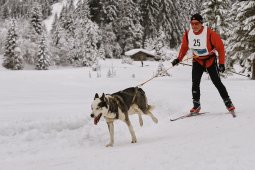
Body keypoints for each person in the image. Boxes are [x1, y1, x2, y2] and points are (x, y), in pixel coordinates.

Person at [171, 13, 235, 113]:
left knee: (217, 82)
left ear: (201, 23)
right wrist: (178, 59)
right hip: (197, 61)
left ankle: (228, 102)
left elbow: (220, 48)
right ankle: (196, 105)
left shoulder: (210, 33)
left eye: (196, 23)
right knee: (195, 83)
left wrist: (221, 63)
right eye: (192, 24)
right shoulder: (188, 34)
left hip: (210, 60)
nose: (194, 26)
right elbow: (184, 48)